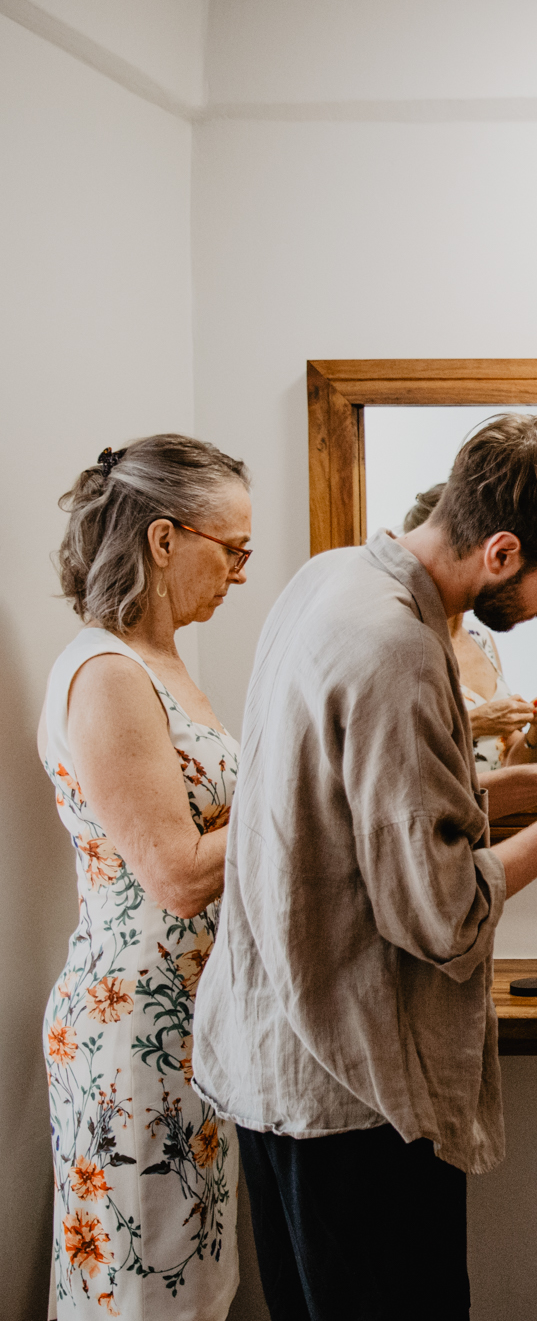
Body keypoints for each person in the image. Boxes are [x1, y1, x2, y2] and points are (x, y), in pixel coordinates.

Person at [192, 413, 537, 1320]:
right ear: (504, 549)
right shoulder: (399, 648)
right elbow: (439, 906)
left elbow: (363, 819)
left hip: (272, 1055)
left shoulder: (333, 577)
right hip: (353, 1080)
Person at [38, 436, 253, 1320]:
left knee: (189, 1280)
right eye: (230, 547)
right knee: (140, 1288)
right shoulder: (108, 674)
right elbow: (175, 871)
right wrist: (310, 809)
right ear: (164, 540)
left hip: (188, 1018)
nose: (242, 571)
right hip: (132, 1029)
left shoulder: (167, 667)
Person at [405, 484, 537, 769]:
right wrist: (476, 722)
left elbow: (512, 761)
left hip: (495, 810)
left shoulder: (481, 639)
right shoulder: (407, 641)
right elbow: (398, 747)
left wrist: (536, 730)